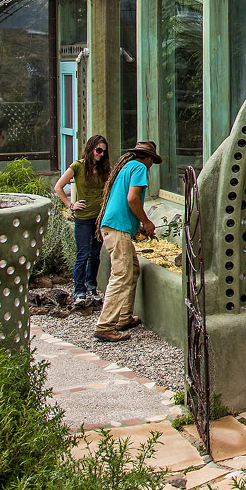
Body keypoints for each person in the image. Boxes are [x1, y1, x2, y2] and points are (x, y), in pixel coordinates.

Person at [94, 139, 160, 343]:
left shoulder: (127, 166)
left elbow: (124, 202)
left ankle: (123, 317)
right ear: (147, 158)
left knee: (132, 269)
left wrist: (137, 226)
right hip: (117, 229)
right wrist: (146, 222)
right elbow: (132, 199)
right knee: (122, 274)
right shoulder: (139, 167)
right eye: (152, 161)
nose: (151, 166)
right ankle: (105, 326)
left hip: (115, 227)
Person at [52, 134, 110, 311]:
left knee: (95, 254)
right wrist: (71, 205)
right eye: (98, 150)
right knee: (83, 254)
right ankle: (79, 290)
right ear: (90, 148)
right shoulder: (78, 166)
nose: (100, 155)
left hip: (99, 217)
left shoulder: (104, 169)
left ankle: (91, 287)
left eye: (103, 152)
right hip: (83, 218)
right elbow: (58, 187)